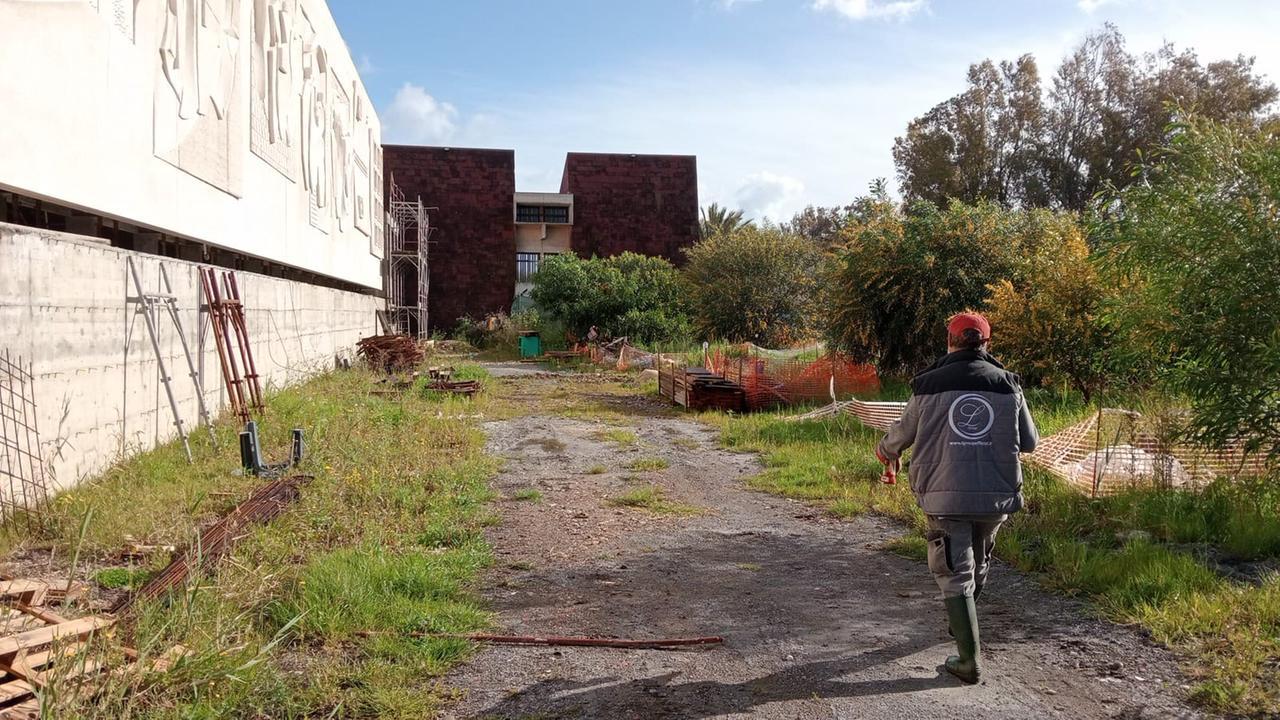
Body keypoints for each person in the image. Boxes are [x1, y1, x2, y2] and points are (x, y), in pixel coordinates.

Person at [875, 312, 1038, 684]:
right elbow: (1030, 441)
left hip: (944, 495)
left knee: (954, 572)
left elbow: (900, 437)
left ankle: (969, 661)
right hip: (996, 495)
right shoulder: (1009, 384)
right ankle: (963, 624)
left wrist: (886, 451)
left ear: (949, 342)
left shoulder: (929, 384)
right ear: (986, 344)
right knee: (977, 562)